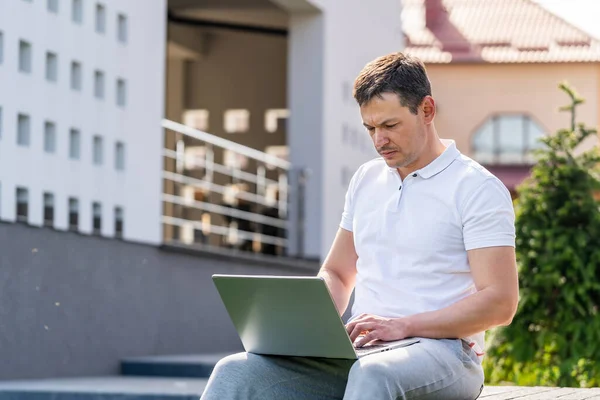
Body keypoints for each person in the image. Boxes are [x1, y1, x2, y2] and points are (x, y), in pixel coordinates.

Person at [200, 52, 519, 400]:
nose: (379, 140)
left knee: (372, 376)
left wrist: (402, 326)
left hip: (447, 354)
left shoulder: (476, 187)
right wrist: (311, 323)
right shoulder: (366, 179)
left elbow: (500, 302)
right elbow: (337, 272)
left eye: (390, 126)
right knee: (236, 371)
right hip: (363, 353)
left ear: (427, 110)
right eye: (370, 128)